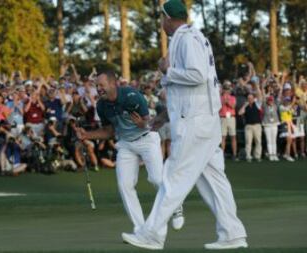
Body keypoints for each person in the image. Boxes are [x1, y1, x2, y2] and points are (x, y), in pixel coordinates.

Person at [122, 0, 247, 250]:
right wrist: (161, 118)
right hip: (202, 120)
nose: (161, 23)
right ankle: (232, 232)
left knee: (173, 176)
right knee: (213, 179)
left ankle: (152, 234)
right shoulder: (192, 37)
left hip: (194, 122)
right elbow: (186, 90)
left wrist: (169, 70)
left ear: (168, 18)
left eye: (161, 19)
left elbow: (197, 75)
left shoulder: (187, 38)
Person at [75, 70, 184, 235]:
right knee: (125, 186)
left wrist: (143, 124)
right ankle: (141, 229)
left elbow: (151, 123)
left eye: (102, 85)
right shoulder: (101, 105)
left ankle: (176, 205)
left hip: (147, 139)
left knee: (156, 179)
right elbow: (109, 131)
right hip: (126, 144)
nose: (99, 89)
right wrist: (86, 135)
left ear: (113, 84)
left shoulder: (132, 96)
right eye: (97, 86)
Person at [219, 82, 238, 161]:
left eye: (228, 89)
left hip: (231, 118)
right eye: (225, 89)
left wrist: (228, 102)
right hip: (223, 118)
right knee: (223, 137)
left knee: (233, 136)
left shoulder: (233, 98)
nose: (227, 91)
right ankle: (222, 155)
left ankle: (234, 154)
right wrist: (223, 101)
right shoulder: (219, 98)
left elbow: (233, 106)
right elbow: (218, 107)